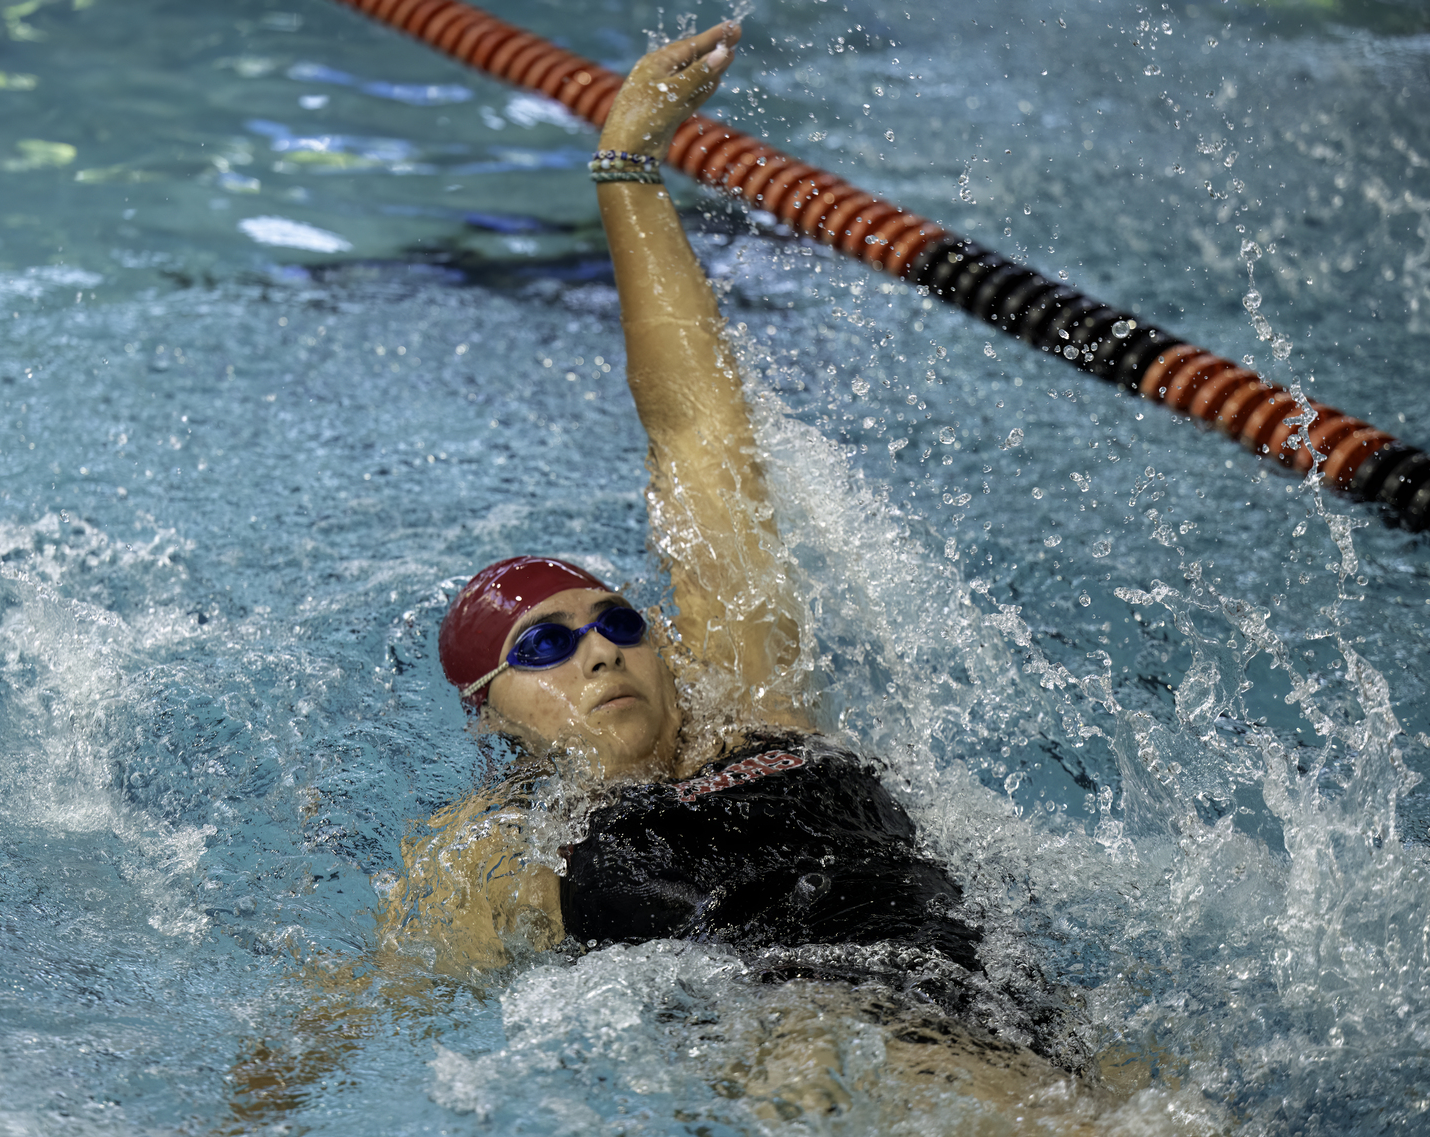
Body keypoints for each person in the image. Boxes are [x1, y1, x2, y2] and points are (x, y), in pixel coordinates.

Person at [377, 21, 1079, 1070]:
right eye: (542, 649)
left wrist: (628, 168)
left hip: (1001, 1005)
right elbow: (364, 1012)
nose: (600, 651)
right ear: (491, 717)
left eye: (615, 622)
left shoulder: (754, 701)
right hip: (829, 1063)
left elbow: (700, 434)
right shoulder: (494, 860)